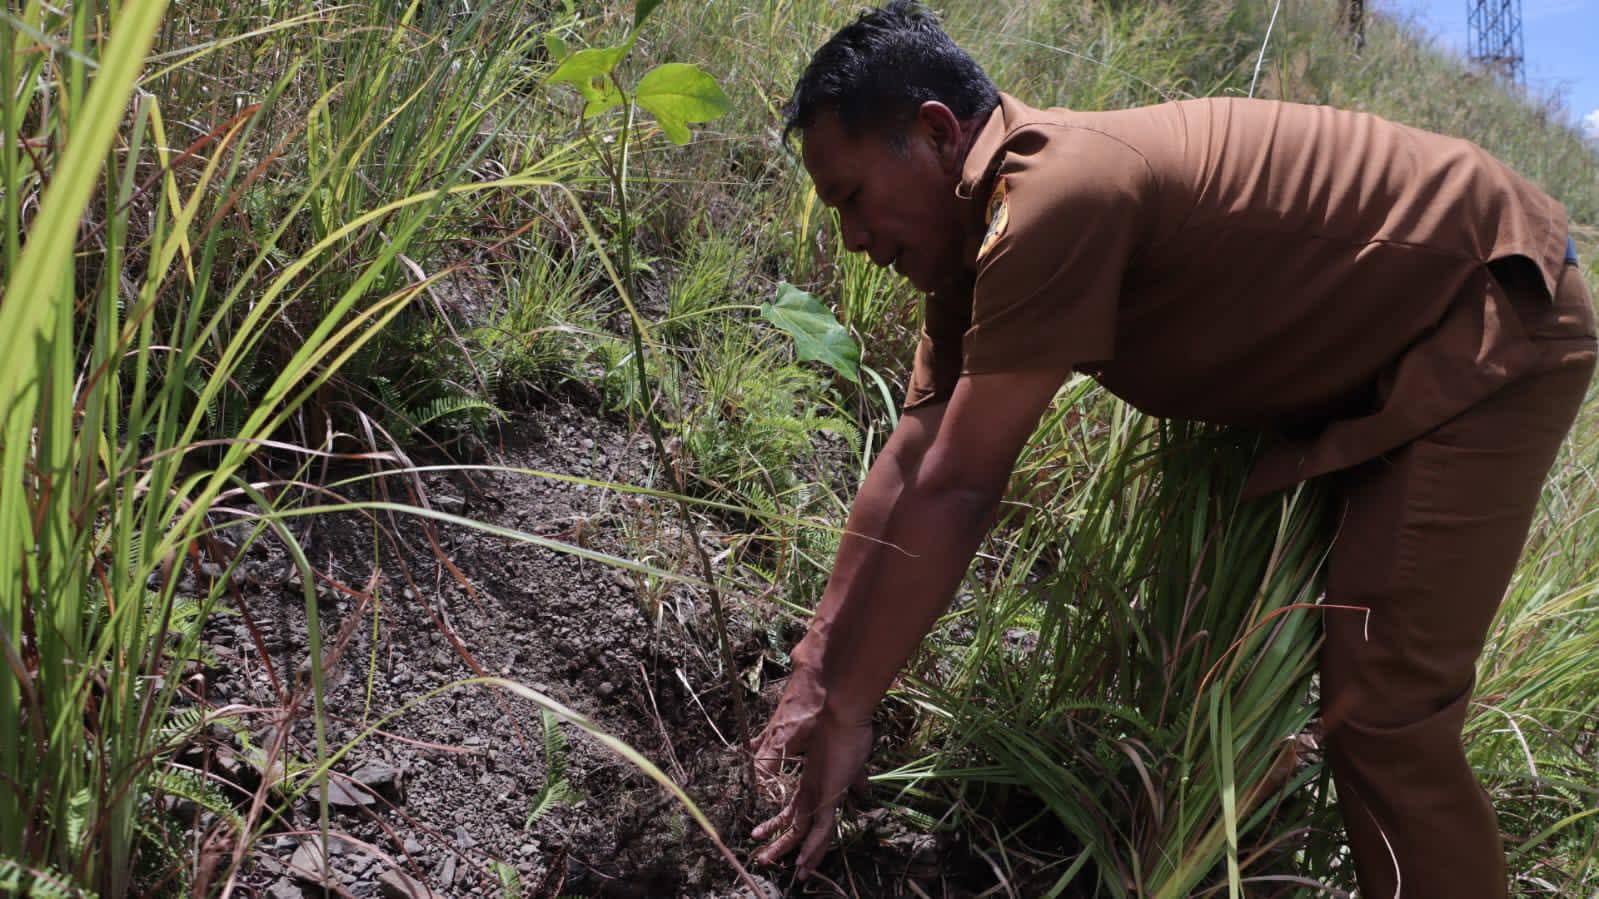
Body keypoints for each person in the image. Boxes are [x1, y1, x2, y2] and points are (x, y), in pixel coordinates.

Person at [745, 1, 1598, 895]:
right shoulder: (977, 227)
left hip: (1488, 317)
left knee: (1383, 709)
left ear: (931, 133)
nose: (849, 236)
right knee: (1364, 694)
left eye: (850, 197)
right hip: (1395, 333)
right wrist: (813, 667)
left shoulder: (1052, 196)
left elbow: (960, 488)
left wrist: (851, 708)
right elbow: (914, 451)